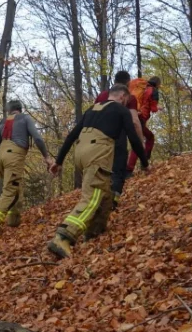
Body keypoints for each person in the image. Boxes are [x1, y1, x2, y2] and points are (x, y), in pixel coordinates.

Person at [46, 85, 149, 259]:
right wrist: (145, 163)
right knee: (92, 197)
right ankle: (63, 237)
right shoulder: (121, 110)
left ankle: (95, 232)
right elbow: (133, 137)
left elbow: (71, 135)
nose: (127, 103)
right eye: (127, 100)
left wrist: (59, 161)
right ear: (123, 97)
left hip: (80, 153)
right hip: (97, 153)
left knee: (105, 195)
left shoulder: (92, 109)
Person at [0, 100, 53, 240]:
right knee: (10, 191)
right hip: (13, 157)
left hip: (0, 157)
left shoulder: (2, 122)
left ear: (9, 111)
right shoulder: (25, 118)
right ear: (20, 109)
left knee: (16, 187)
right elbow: (37, 138)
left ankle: (14, 222)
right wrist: (46, 157)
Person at [94, 70, 144, 212]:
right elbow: (135, 121)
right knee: (118, 170)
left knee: (101, 171)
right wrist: (140, 141)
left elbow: (94, 113)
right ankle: (112, 203)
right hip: (117, 137)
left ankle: (98, 201)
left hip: (97, 138)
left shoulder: (102, 95)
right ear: (128, 83)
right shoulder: (129, 98)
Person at [126, 76, 161, 175]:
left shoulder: (142, 87)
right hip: (140, 118)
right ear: (157, 84)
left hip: (133, 114)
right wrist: (158, 107)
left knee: (147, 138)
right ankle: (130, 168)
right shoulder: (153, 91)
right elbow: (153, 109)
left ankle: (143, 162)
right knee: (140, 141)